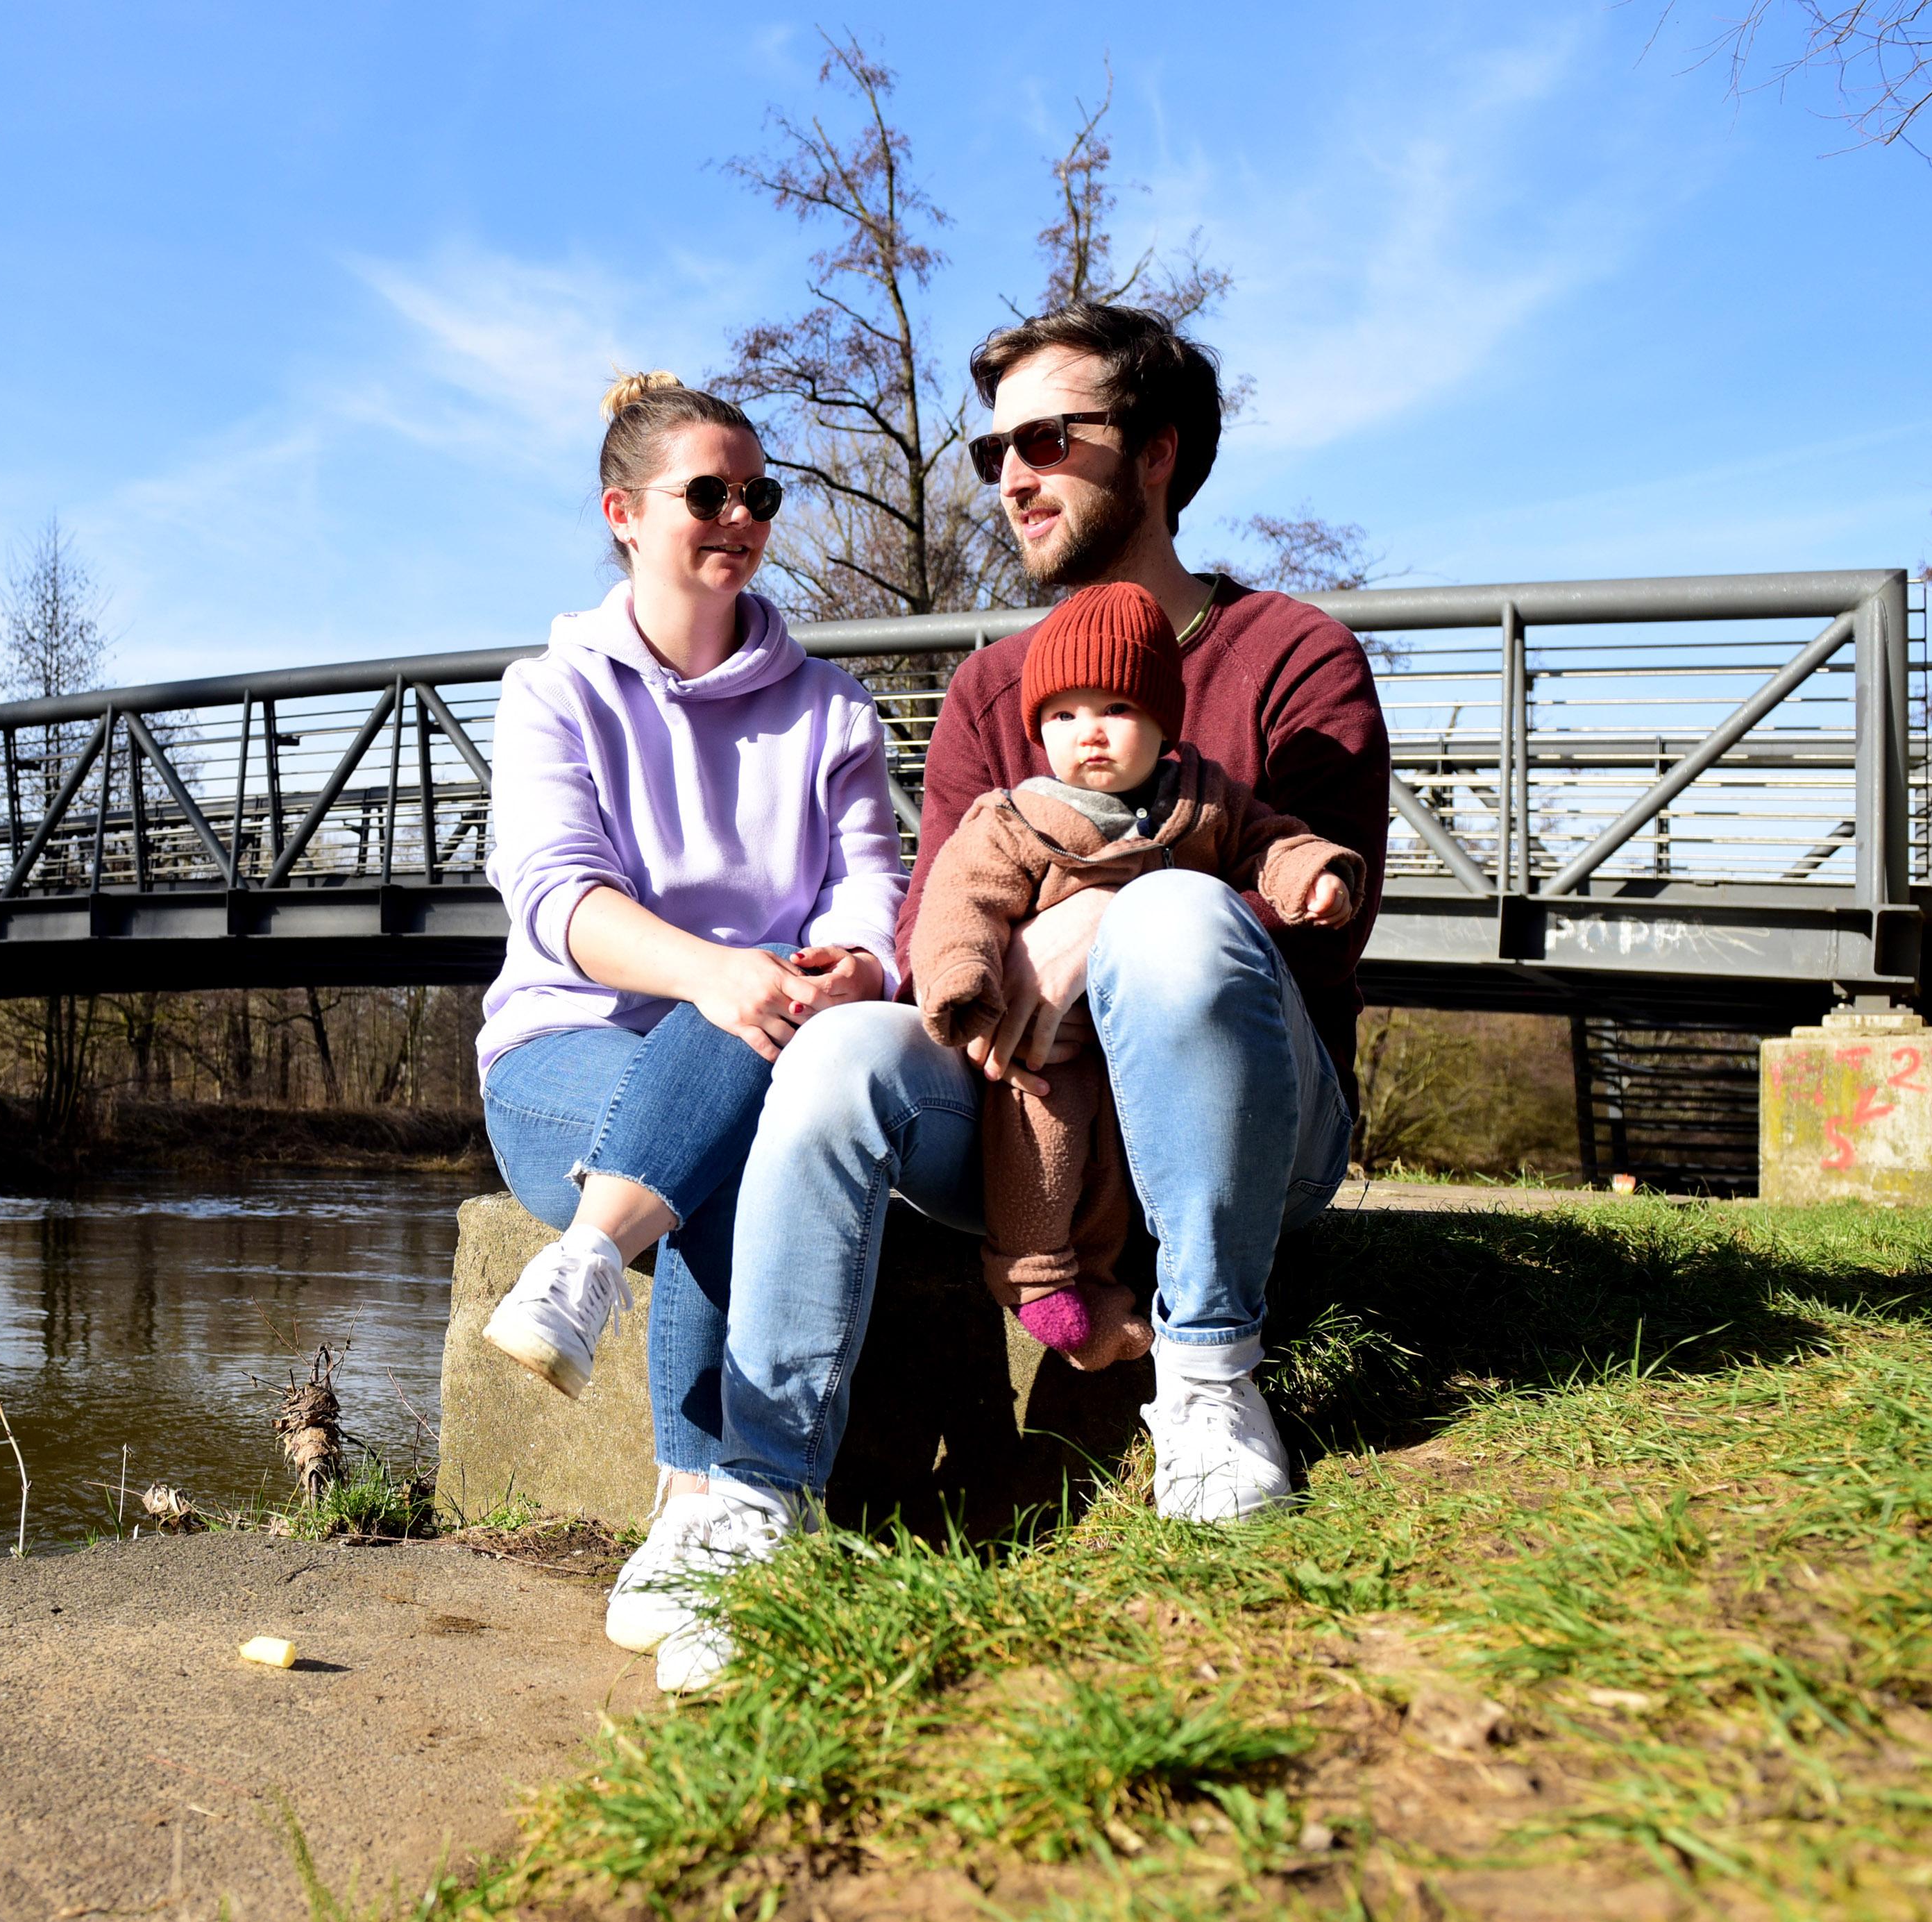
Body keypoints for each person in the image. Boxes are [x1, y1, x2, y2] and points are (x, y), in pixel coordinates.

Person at [704, 299, 1387, 1549]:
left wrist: (1108, 917)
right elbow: (941, 933)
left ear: (1158, 450)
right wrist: (985, 958)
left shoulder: (1296, 654)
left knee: (1172, 916)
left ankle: (1207, 1379)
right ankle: (750, 1487)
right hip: (1025, 1120)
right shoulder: (987, 686)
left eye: (1045, 441)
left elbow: (1318, 929)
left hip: (1257, 1129)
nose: (1009, 477)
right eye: (991, 453)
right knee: (838, 1055)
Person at [473, 370, 901, 1692]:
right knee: (735, 1073)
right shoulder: (551, 691)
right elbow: (558, 898)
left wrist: (854, 967)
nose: (739, 516)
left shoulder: (830, 710)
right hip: (565, 1052)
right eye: (706, 492)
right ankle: (703, 1500)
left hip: (769, 1035)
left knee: (754, 1092)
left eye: (758, 495)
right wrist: (719, 972)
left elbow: (877, 892)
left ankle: (589, 1268)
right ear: (623, 512)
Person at [910, 579, 1361, 1373]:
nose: (1088, 733)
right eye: (1062, 714)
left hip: (1165, 1055)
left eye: (1115, 710)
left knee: (1125, 1169)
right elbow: (958, 900)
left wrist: (1311, 874)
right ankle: (1038, 1277)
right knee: (1042, 1142)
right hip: (1057, 1049)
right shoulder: (1015, 817)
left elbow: (1271, 843)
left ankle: (1148, 1306)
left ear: (1162, 720)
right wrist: (962, 983)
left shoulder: (1205, 803)